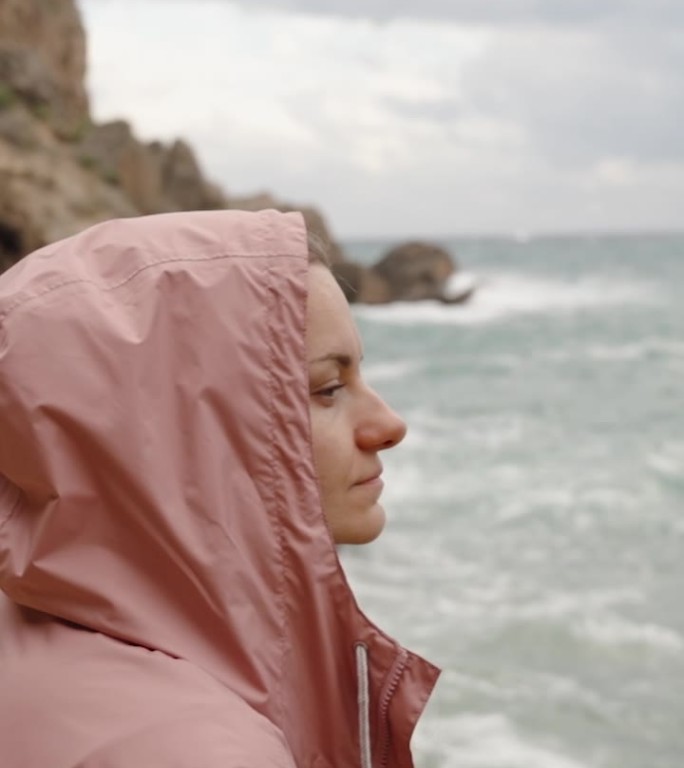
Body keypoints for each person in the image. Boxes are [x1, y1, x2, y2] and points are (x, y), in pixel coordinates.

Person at [0, 210, 439, 768]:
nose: (388, 424)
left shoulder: (25, 625)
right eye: (328, 388)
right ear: (185, 433)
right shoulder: (201, 749)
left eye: (360, 376)